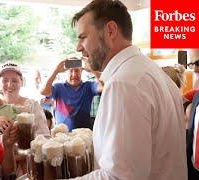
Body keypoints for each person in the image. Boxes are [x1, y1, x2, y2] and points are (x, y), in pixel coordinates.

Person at [71, 0, 186, 179]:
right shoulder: (152, 72)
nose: (78, 47)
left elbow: (119, 176)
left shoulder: (124, 84)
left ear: (110, 30)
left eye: (83, 37)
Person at [0, 62, 50, 177]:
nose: (9, 84)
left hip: (26, 167)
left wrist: (22, 152)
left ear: (21, 82)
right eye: (5, 80)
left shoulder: (32, 105)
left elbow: (44, 137)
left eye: (14, 80)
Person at [41, 61, 100, 131]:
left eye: (77, 70)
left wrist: (93, 70)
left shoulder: (89, 86)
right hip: (61, 135)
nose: (74, 74)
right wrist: (56, 71)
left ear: (82, 71)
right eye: (71, 71)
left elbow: (104, 85)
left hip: (84, 135)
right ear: (66, 72)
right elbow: (43, 91)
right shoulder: (58, 87)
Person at [186, 49, 199, 179]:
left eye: (198, 63)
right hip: (193, 171)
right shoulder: (196, 95)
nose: (195, 70)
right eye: (191, 64)